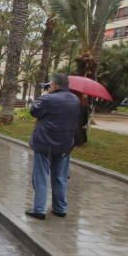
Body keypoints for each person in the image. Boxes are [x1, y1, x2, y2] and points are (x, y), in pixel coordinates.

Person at [26, 73, 82, 220]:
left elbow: (34, 111)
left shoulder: (48, 98)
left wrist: (43, 95)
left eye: (50, 84)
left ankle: (39, 209)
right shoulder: (75, 100)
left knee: (41, 177)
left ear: (55, 85)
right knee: (60, 177)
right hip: (65, 144)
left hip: (45, 143)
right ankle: (60, 208)